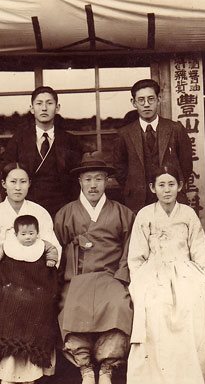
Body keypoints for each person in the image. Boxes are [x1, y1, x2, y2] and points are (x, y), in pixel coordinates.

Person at [127, 164, 205, 384]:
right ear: (152, 188)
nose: (167, 190)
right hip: (154, 272)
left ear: (179, 186)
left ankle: (189, 375)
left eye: (171, 184)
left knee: (197, 304)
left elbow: (199, 251)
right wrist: (142, 282)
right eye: (161, 185)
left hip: (186, 271)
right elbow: (136, 257)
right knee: (156, 309)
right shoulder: (144, 215)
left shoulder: (187, 214)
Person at [54, 151, 134, 384]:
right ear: (80, 181)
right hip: (76, 278)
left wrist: (121, 277)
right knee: (71, 305)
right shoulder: (66, 213)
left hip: (111, 277)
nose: (93, 185)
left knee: (119, 305)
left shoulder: (121, 213)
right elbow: (57, 249)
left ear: (107, 181)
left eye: (98, 179)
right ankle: (85, 366)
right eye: (88, 179)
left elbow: (130, 249)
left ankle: (108, 366)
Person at [0, 163, 60, 384]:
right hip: (6, 276)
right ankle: (6, 373)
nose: (18, 187)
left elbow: (52, 246)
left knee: (39, 300)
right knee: (9, 299)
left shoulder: (39, 212)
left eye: (23, 182)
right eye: (13, 182)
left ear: (29, 185)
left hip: (36, 275)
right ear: (4, 184)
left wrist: (47, 262)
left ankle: (30, 372)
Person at [113, 79, 193, 213]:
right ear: (134, 103)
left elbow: (186, 166)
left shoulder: (175, 129)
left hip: (172, 198)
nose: (146, 105)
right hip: (137, 201)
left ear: (159, 99)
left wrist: (172, 188)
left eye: (151, 99)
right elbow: (119, 169)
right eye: (141, 100)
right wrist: (132, 187)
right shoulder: (124, 133)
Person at [3, 86, 82, 218]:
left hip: (62, 208)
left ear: (57, 108)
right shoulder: (19, 139)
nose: (44, 108)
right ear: (32, 108)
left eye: (49, 103)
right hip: (27, 207)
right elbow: (6, 174)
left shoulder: (70, 141)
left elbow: (76, 180)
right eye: (39, 103)